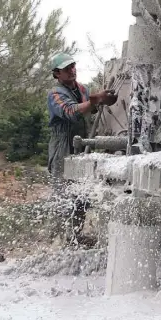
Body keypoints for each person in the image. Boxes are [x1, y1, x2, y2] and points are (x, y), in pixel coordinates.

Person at [47, 52, 117, 242]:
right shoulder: (55, 94)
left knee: (81, 196)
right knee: (64, 195)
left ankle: (76, 236)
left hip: (81, 145)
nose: (72, 71)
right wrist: (96, 100)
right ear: (57, 74)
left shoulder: (82, 90)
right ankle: (61, 239)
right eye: (66, 69)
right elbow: (70, 111)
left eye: (73, 66)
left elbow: (89, 106)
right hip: (63, 147)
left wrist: (101, 100)